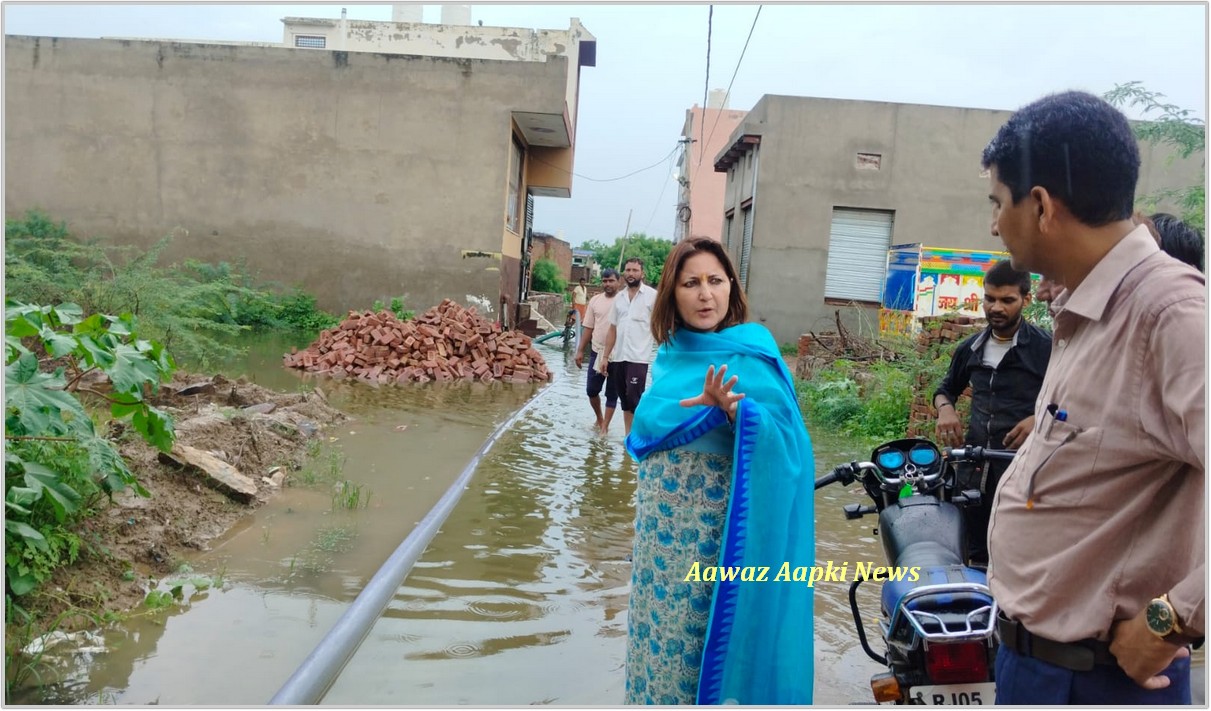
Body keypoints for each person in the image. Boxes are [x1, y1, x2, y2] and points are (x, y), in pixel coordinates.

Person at [982, 91, 1204, 704]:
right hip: (1038, 665)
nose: (994, 224)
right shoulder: (1089, 311)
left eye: (998, 204)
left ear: (1041, 206)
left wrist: (1174, 618)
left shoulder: (1171, 314)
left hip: (1098, 680)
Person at [622, 237, 815, 705]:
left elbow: (792, 445)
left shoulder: (754, 354)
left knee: (703, 650)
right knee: (656, 647)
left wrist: (736, 415)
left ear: (731, 287)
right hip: (658, 546)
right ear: (671, 293)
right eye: (691, 283)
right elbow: (648, 436)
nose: (705, 294)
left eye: (714, 280)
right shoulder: (668, 357)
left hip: (717, 545)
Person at [932, 259, 1051, 566]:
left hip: (1026, 469)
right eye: (990, 299)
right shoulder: (970, 348)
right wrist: (945, 409)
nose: (996, 307)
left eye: (1007, 300)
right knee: (970, 550)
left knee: (1019, 553)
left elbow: (1075, 399)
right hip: (974, 468)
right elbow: (945, 389)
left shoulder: (1045, 348)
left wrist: (1040, 419)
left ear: (1026, 299)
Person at [595, 258, 657, 436]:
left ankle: (639, 435)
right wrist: (606, 357)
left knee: (634, 398)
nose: (631, 273)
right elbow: (612, 330)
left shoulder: (652, 297)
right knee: (624, 400)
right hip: (619, 356)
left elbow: (660, 326)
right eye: (628, 270)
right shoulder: (619, 298)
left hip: (639, 358)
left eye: (635, 270)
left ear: (642, 274)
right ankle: (628, 437)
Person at [574, 268, 621, 434]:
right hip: (597, 351)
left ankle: (605, 426)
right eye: (605, 281)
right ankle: (600, 418)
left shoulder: (624, 300)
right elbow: (588, 327)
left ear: (618, 282)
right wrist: (580, 350)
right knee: (591, 390)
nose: (607, 284)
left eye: (611, 281)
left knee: (612, 393)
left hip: (618, 355)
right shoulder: (595, 301)